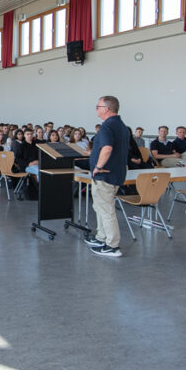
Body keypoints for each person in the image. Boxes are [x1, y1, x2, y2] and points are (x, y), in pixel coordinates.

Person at [84, 96, 130, 258]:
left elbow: (108, 149)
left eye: (98, 106)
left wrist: (98, 166)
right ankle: (101, 237)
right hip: (116, 173)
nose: (96, 109)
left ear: (107, 108)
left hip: (105, 175)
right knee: (100, 207)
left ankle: (112, 245)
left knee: (106, 210)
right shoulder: (121, 126)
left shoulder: (107, 126)